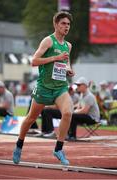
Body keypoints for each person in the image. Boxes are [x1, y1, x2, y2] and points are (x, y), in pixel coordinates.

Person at [13, 11, 74, 165]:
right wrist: (55, 57)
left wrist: (68, 69)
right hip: (44, 87)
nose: (66, 27)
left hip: (60, 87)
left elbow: (66, 62)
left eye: (68, 24)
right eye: (63, 24)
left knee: (67, 113)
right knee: (31, 118)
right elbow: (34, 61)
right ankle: (19, 144)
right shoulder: (48, 41)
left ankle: (58, 148)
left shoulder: (68, 45)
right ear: (56, 24)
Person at [67, 77, 100, 141]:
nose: (77, 86)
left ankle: (72, 136)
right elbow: (79, 107)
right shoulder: (82, 94)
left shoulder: (89, 96)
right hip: (87, 116)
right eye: (77, 85)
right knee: (71, 115)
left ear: (85, 85)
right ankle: (69, 135)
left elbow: (85, 111)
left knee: (73, 116)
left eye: (79, 85)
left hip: (93, 118)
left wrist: (73, 112)